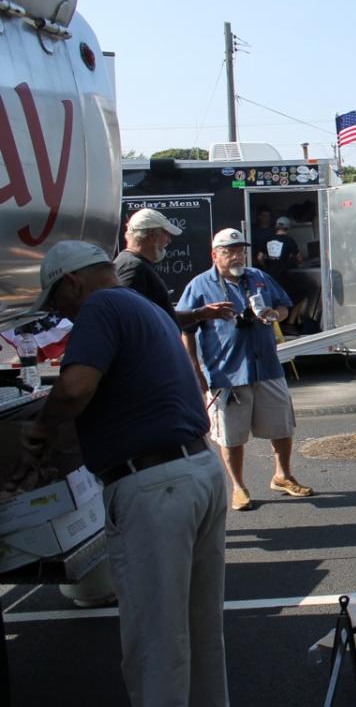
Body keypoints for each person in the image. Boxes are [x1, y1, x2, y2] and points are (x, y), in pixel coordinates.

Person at [24, 241, 229, 707]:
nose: (62, 313)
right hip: (198, 468)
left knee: (155, 637)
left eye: (58, 302)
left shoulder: (99, 306)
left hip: (155, 485)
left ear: (72, 283)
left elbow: (75, 389)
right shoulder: (145, 307)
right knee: (200, 631)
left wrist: (40, 433)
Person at [178, 228, 314, 511]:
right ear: (215, 255)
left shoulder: (258, 277)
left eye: (240, 250)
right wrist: (195, 370)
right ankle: (238, 487)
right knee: (231, 434)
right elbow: (186, 329)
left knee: (282, 425)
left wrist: (275, 315)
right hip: (227, 372)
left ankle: (283, 475)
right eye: (229, 251)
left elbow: (284, 305)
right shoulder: (200, 285)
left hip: (266, 366)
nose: (237, 256)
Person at [114, 207, 235, 327]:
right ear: (151, 236)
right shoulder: (132, 267)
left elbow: (164, 318)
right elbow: (126, 320)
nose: (169, 240)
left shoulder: (135, 264)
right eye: (166, 234)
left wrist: (199, 314)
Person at [256, 216, 314, 334]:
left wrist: (267, 267)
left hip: (269, 277)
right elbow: (299, 258)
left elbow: (259, 257)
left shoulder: (268, 239)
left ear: (276, 226)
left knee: (272, 300)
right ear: (288, 227)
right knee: (302, 293)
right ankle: (290, 324)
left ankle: (274, 326)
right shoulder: (289, 240)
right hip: (283, 276)